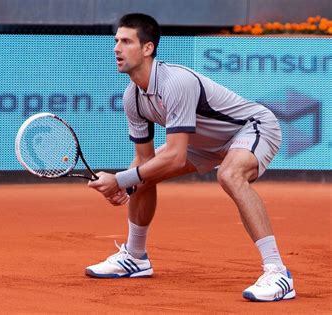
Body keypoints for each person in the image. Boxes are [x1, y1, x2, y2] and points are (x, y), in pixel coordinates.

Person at [86, 13, 295, 302]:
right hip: (202, 144)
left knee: (229, 175)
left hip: (250, 128)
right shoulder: (131, 98)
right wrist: (125, 184)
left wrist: (120, 180)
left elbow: (173, 156)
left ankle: (278, 272)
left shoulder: (176, 81)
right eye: (116, 41)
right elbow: (144, 161)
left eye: (125, 41)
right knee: (145, 175)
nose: (116, 49)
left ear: (147, 48)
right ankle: (135, 258)